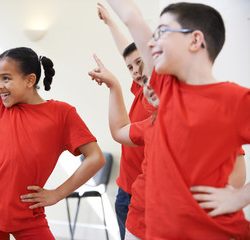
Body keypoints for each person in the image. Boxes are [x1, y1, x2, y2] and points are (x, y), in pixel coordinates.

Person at [0, 1, 106, 239]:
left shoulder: (62, 113)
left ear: (29, 80)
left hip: (29, 215)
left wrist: (56, 193)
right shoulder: (2, 109)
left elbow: (95, 158)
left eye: (6, 78)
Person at [107, 0, 250, 238]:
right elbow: (132, 17)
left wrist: (241, 196)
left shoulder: (235, 100)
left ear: (195, 40)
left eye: (162, 32)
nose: (152, 42)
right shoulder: (166, 88)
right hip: (152, 229)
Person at [97, 4, 156, 239]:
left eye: (140, 64)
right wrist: (110, 22)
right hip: (126, 189)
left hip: (147, 196)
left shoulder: (157, 99)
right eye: (130, 68)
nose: (135, 71)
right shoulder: (143, 89)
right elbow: (128, 51)